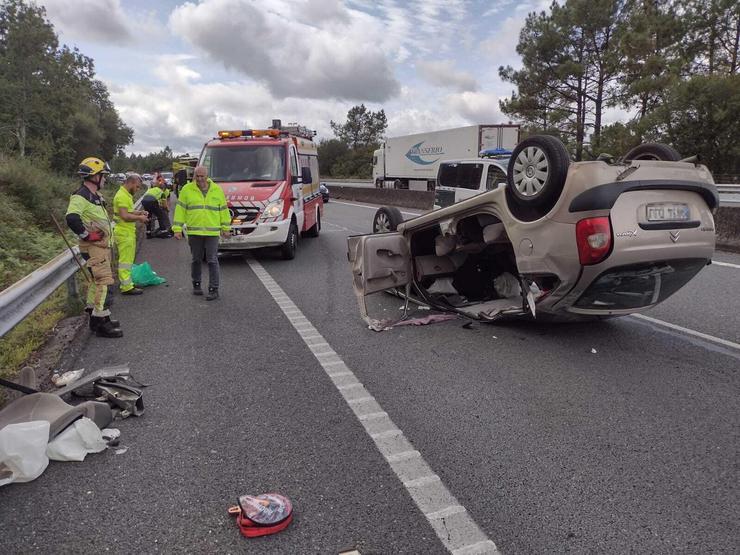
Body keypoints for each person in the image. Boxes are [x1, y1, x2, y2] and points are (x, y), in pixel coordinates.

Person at [65, 157, 122, 338]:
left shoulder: (94, 196)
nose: (105, 179)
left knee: (95, 283)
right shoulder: (80, 195)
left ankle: (96, 316)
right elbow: (72, 218)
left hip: (100, 247)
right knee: (103, 283)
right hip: (94, 247)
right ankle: (100, 323)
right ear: (93, 176)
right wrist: (87, 235)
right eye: (102, 175)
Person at [172, 165, 230, 301]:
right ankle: (196, 284)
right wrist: (177, 229)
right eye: (197, 176)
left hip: (212, 232)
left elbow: (223, 210)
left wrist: (226, 228)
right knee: (196, 260)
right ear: (193, 176)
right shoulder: (187, 189)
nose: (199, 179)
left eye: (202, 176)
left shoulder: (217, 190)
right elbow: (180, 210)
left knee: (212, 260)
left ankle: (214, 289)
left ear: (207, 176)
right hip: (194, 231)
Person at [113, 173, 149, 296]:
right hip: (124, 233)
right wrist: (140, 218)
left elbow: (128, 211)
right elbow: (125, 216)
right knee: (125, 261)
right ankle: (126, 286)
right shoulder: (122, 196)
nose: (137, 189)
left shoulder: (125, 194)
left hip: (126, 232)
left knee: (127, 260)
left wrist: (139, 212)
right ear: (131, 183)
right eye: (137, 187)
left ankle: (128, 283)